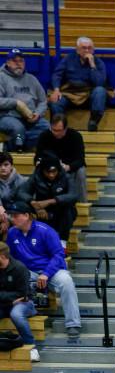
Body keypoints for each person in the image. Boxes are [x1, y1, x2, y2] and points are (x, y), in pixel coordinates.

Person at [6, 200, 81, 338]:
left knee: (67, 283)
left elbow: (59, 255)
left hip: (52, 270)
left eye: (16, 215)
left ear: (27, 216)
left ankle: (73, 324)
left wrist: (46, 274)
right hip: (28, 272)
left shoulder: (45, 230)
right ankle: (28, 311)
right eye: (11, 215)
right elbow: (12, 258)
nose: (12, 219)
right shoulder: (11, 233)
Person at [47, 38, 110, 131]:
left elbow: (100, 83)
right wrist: (56, 90)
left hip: (88, 94)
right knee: (55, 101)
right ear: (77, 50)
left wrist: (92, 64)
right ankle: (60, 128)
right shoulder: (68, 58)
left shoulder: (98, 62)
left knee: (101, 91)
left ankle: (93, 122)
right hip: (70, 93)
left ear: (93, 50)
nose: (87, 51)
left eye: (89, 48)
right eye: (84, 48)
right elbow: (57, 75)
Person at [17, 150, 77, 240]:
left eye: (54, 171)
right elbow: (21, 192)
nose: (51, 175)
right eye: (48, 172)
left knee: (66, 208)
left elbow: (73, 195)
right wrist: (34, 203)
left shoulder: (65, 177)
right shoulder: (36, 177)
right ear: (42, 170)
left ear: (58, 169)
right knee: (22, 207)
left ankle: (63, 244)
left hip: (60, 213)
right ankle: (30, 242)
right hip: (41, 212)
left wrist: (51, 201)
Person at [0, 49, 49, 152]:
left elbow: (43, 101)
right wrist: (15, 102)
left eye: (21, 61)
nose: (19, 64)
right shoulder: (1, 77)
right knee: (18, 129)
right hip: (7, 117)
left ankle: (13, 147)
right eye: (15, 61)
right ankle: (15, 152)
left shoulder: (32, 79)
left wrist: (38, 113)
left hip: (30, 117)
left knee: (46, 127)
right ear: (8, 63)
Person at [35, 114, 88, 205]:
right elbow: (38, 156)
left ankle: (82, 203)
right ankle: (39, 204)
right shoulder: (44, 136)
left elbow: (80, 160)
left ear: (65, 128)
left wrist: (69, 167)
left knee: (81, 171)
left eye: (59, 130)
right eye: (53, 130)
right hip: (50, 168)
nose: (56, 133)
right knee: (37, 171)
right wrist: (38, 162)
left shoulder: (75, 136)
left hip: (70, 167)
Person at [0, 243, 38, 361]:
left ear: (2, 257)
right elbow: (14, 296)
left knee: (16, 314)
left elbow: (22, 294)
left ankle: (31, 347)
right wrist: (10, 301)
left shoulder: (19, 268)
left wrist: (4, 297)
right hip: (7, 303)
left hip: (25, 302)